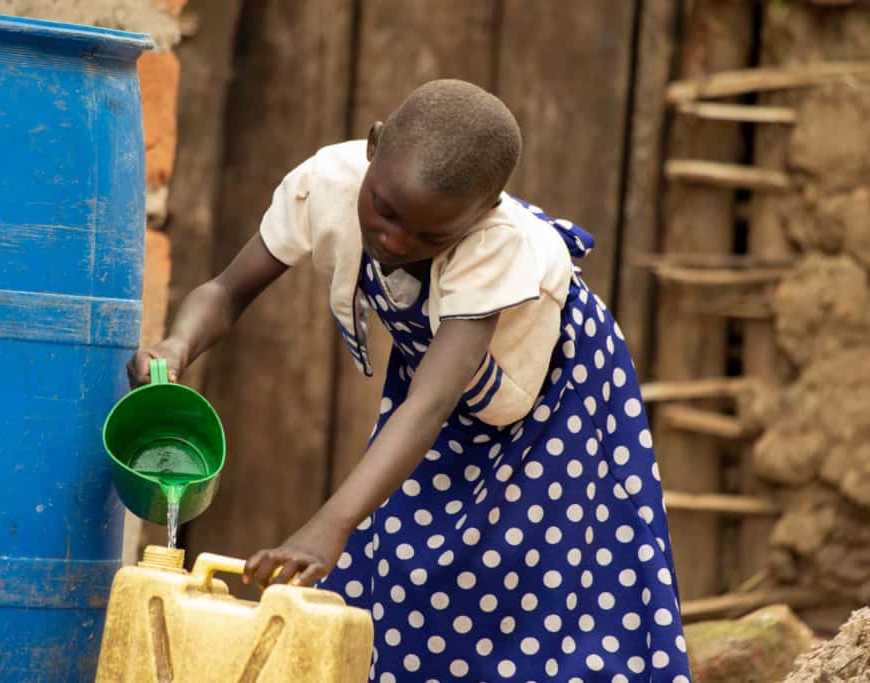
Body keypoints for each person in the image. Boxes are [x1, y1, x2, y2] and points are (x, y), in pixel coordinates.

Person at [127, 79, 691, 682]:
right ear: (373, 146)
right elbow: (225, 291)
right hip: (440, 396)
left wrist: (328, 528)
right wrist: (177, 344)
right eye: (387, 212)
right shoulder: (329, 185)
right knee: (403, 563)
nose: (395, 242)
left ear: (486, 211)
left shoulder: (495, 246)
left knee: (540, 579)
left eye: (430, 237)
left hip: (557, 399)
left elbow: (431, 402)